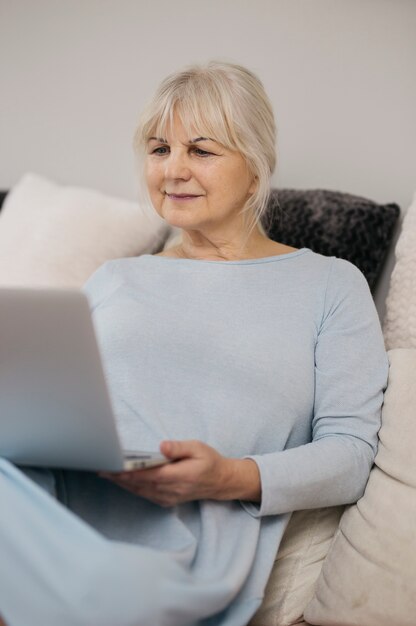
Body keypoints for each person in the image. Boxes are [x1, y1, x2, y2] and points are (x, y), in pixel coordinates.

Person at [0, 61, 388, 626]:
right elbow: (54, 408)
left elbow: (351, 454)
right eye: (159, 150)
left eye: (201, 151)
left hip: (178, 560)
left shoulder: (329, 285)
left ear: (256, 168)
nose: (173, 171)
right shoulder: (115, 278)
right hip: (48, 508)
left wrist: (228, 476)